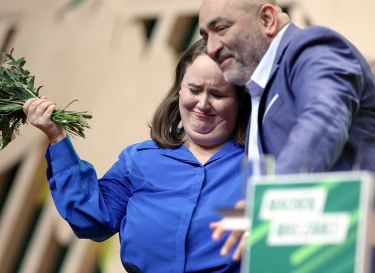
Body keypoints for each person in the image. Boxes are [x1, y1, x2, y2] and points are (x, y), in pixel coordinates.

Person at [198, 0, 375, 272]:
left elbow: (323, 118)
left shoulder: (312, 47)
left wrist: (270, 202)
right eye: (206, 36)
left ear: (267, 19)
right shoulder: (259, 92)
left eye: (220, 28)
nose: (211, 47)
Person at [23, 39, 251, 272]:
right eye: (194, 90)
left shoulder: (262, 165)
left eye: (218, 94)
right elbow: (91, 219)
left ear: (241, 100)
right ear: (179, 90)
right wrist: (56, 137)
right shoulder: (140, 159)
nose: (202, 104)